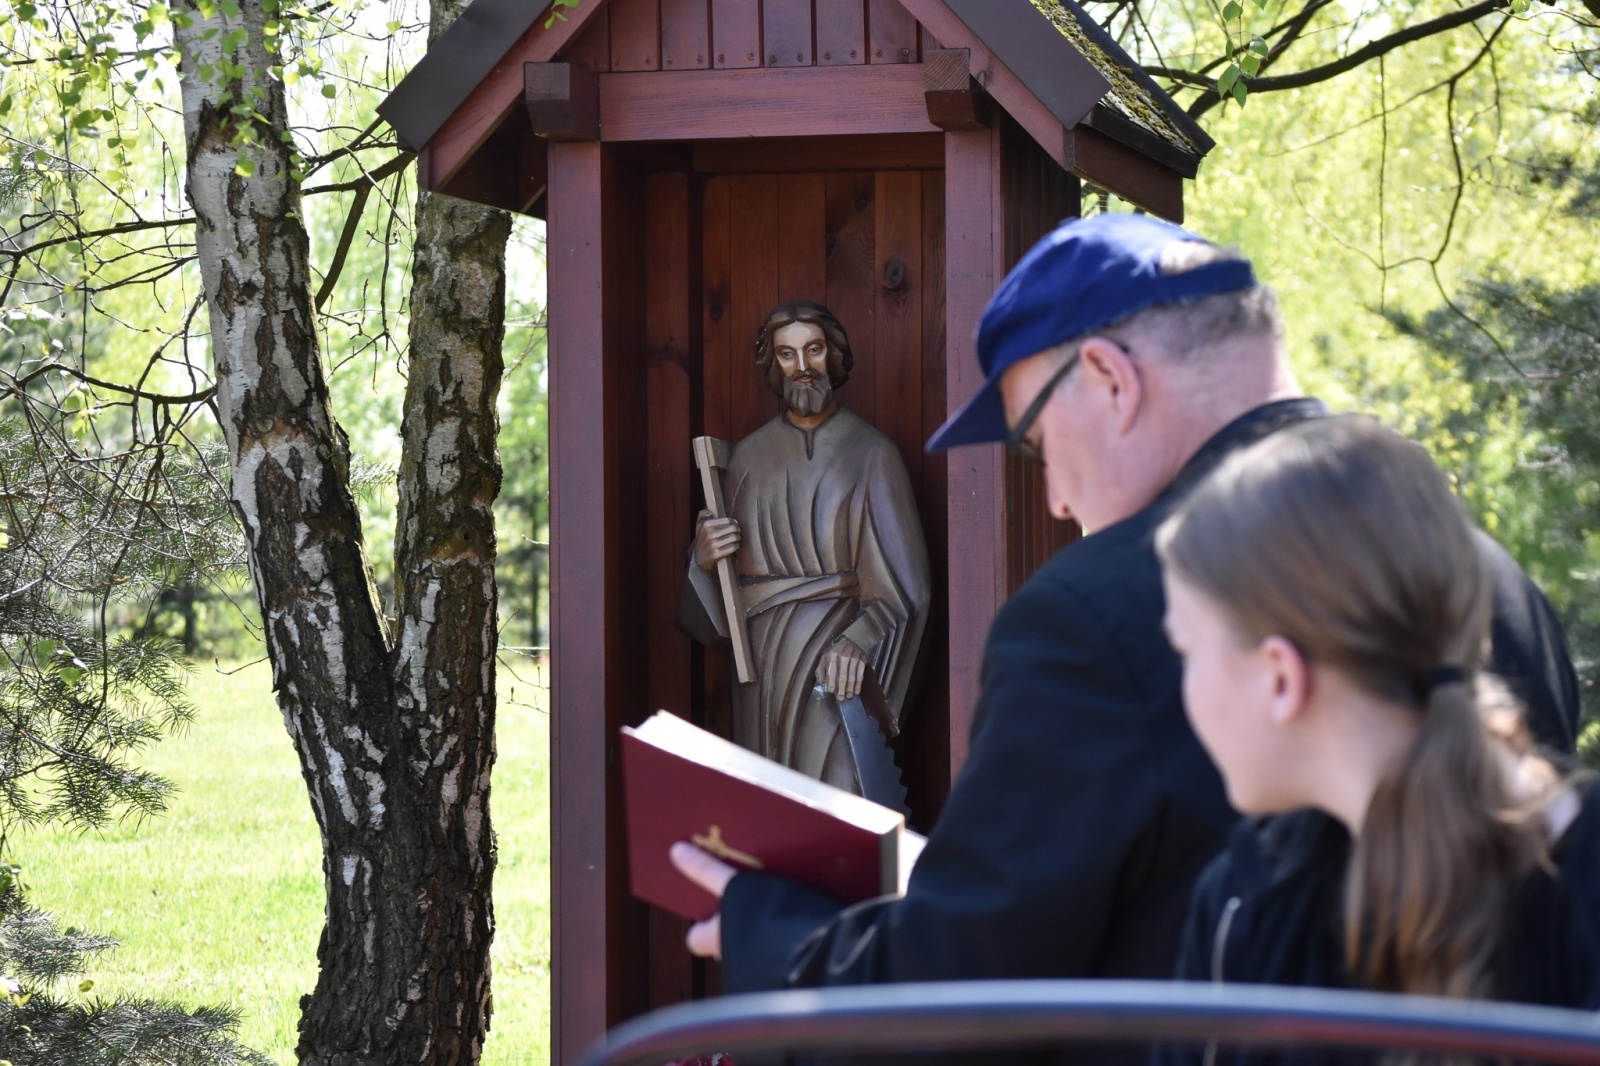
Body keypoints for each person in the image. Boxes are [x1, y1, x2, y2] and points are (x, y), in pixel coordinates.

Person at [669, 215, 1580, 1013]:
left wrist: (772, 933)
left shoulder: (1092, 612)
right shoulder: (1486, 570)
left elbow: (965, 991)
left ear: (1109, 378)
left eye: (1034, 443)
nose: (1058, 500)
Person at [1156, 416, 1597, 1064]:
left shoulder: (1256, 909)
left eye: (1187, 650)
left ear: (1281, 676)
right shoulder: (1243, 896)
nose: (1182, 682)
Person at [677, 299, 931, 794]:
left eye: (813, 350)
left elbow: (908, 589)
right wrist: (704, 560)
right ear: (774, 365)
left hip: (837, 663)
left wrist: (860, 642)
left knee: (841, 792)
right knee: (768, 805)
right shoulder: (745, 458)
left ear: (832, 356)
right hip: (763, 670)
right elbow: (710, 618)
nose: (803, 367)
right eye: (787, 354)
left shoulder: (873, 454)